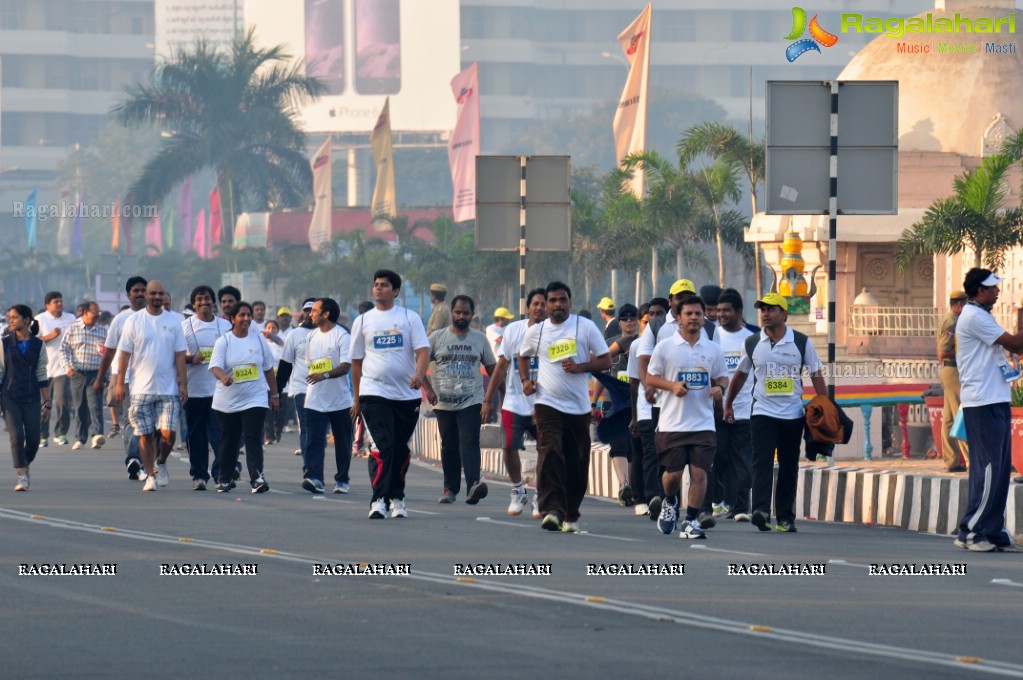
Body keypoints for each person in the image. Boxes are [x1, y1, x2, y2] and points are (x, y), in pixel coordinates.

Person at [723, 293, 827, 533]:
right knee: (761, 462)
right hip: (762, 412)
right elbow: (740, 375)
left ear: (784, 314)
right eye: (763, 309)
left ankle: (785, 517)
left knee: (789, 465)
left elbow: (816, 373)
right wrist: (728, 404)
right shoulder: (752, 343)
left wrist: (824, 406)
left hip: (792, 415)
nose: (766, 313)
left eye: (772, 309)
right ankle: (760, 511)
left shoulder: (801, 342)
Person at [518, 281, 611, 532]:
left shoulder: (585, 327)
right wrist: (526, 381)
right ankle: (552, 510)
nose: (558, 305)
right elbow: (523, 355)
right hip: (547, 402)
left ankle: (571, 513)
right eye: (553, 301)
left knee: (577, 461)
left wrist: (581, 367)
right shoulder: (537, 332)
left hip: (579, 407)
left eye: (562, 300)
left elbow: (606, 360)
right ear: (546, 304)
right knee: (550, 452)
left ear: (570, 302)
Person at [646, 295, 728, 540]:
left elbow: (723, 376)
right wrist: (671, 386)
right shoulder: (665, 347)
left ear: (704, 318)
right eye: (688, 314)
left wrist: (720, 389)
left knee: (700, 473)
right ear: (679, 318)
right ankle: (670, 501)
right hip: (672, 423)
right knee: (673, 475)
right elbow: (650, 378)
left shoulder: (712, 349)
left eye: (698, 314)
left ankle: (691, 520)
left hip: (703, 424)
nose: (694, 318)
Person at [350, 269, 430, 519]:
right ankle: (378, 500)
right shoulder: (363, 321)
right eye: (375, 285)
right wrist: (356, 398)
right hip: (374, 393)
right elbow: (356, 362)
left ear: (395, 291)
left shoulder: (409, 318)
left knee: (399, 448)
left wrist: (419, 374)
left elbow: (423, 350)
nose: (378, 289)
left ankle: (397, 497)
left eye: (384, 285)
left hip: (406, 397)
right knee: (383, 446)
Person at [953, 269, 1023, 552]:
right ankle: (971, 531)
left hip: (994, 399)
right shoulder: (974, 317)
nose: (997, 292)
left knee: (1000, 468)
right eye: (993, 288)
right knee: (990, 468)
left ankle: (992, 530)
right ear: (979, 290)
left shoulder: (981, 315)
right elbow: (1014, 343)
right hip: (982, 401)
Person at [115, 280, 188, 492]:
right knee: (145, 435)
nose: (157, 297)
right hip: (140, 389)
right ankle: (149, 476)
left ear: (165, 296)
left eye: (160, 294)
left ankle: (161, 462)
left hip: (168, 389)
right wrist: (119, 384)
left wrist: (183, 384)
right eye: (153, 293)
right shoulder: (134, 321)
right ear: (146, 296)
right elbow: (124, 355)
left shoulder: (174, 322)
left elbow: (180, 355)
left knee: (168, 434)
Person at [424, 294, 496, 504]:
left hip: (471, 400)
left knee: (469, 442)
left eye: (466, 313)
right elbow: (417, 366)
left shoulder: (480, 339)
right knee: (449, 444)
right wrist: (427, 389)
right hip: (443, 402)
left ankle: (473, 485)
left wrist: (502, 396)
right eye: (458, 312)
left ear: (472, 315)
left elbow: (493, 369)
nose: (461, 316)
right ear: (452, 313)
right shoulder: (437, 338)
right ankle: (449, 488)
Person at [482, 287, 547, 518]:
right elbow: (501, 366)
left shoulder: (556, 333)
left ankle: (540, 495)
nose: (540, 308)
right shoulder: (513, 330)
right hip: (514, 401)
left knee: (545, 450)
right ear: (528, 308)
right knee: (508, 445)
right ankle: (518, 490)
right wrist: (488, 399)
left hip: (545, 404)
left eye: (544, 304)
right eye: (535, 304)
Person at [209, 301, 279, 493]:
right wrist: (223, 376)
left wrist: (274, 395)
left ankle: (257, 478)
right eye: (241, 315)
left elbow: (268, 370)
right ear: (233, 319)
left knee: (253, 437)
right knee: (229, 439)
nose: (246, 318)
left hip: (255, 398)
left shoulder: (258, 340)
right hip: (228, 402)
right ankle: (224, 478)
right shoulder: (224, 341)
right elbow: (215, 366)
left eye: (248, 315)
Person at [94, 276, 148, 480]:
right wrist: (100, 379)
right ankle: (134, 458)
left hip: (152, 381)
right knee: (132, 420)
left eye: (144, 290)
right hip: (126, 380)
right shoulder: (120, 320)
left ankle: (146, 459)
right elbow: (109, 352)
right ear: (129, 295)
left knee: (151, 424)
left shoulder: (157, 317)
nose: (141, 294)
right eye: (137, 290)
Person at [708, 288, 755, 522]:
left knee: (743, 462)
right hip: (715, 411)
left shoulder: (752, 339)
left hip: (745, 411)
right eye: (719, 311)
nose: (721, 315)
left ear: (738, 311)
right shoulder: (712, 338)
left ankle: (740, 508)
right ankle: (717, 500)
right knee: (720, 457)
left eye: (726, 310)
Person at [301, 297, 354, 495]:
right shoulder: (312, 336)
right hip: (315, 399)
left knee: (342, 441)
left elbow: (346, 365)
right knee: (314, 440)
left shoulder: (342, 335)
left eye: (314, 310)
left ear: (326, 314)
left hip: (339, 400)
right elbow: (311, 363)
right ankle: (315, 478)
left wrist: (324, 375)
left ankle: (342, 480)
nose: (310, 314)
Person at [181, 285, 232, 491]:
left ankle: (221, 473)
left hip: (220, 390)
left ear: (214, 302)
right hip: (194, 391)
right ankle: (199, 475)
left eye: (208, 298)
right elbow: (175, 356)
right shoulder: (184, 327)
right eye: (200, 299)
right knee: (197, 436)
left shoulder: (225, 326)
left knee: (220, 435)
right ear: (194, 304)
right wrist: (190, 358)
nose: (204, 302)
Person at [2, 305, 51, 491]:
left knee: (33, 440)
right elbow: (0, 372)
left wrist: (47, 402)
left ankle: (25, 462)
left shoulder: (38, 345)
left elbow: (41, 373)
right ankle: (22, 476)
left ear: (27, 320)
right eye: (9, 317)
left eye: (14, 317)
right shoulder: (4, 343)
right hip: (10, 396)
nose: (11, 320)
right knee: (16, 436)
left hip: (31, 397)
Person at [628, 299, 669, 519]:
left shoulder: (673, 342)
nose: (654, 318)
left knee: (666, 455)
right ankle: (648, 497)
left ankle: (664, 497)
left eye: (659, 313)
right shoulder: (637, 345)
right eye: (650, 314)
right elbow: (634, 382)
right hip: (645, 410)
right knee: (649, 454)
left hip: (669, 409)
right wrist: (634, 416)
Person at [58, 300, 106, 450]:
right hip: (77, 374)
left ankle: (97, 435)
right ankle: (80, 438)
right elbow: (63, 350)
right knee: (79, 407)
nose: (98, 316)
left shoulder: (103, 331)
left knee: (95, 406)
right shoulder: (72, 329)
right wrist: (68, 368)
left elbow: (108, 355)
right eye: (95, 313)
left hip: (96, 374)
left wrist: (107, 376)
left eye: (99, 313)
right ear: (85, 313)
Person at [278, 298, 316, 460]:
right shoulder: (295, 335)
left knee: (318, 430)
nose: (309, 314)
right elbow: (285, 365)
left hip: (325, 390)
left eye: (313, 310)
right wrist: (277, 391)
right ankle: (310, 467)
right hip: (302, 388)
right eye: (306, 310)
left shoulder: (329, 333)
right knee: (306, 426)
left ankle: (315, 463)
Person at [37, 290, 76, 447]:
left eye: (61, 301)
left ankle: (61, 433)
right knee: (43, 403)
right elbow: (32, 340)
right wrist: (49, 336)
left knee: (62, 402)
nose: (60, 304)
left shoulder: (71, 319)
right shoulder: (39, 320)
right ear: (47, 305)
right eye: (56, 302)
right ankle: (43, 435)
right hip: (43, 369)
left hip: (63, 368)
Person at [937, 290, 969, 473]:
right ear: (959, 304)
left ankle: (951, 461)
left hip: (949, 370)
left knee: (949, 418)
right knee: (962, 414)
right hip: (953, 369)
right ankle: (971, 459)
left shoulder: (950, 320)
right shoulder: (952, 322)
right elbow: (943, 351)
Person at [261, 319, 286, 446]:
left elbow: (281, 342)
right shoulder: (262, 344)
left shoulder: (282, 343)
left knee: (281, 412)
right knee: (268, 411)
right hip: (265, 383)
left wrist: (272, 336)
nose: (271, 330)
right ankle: (268, 435)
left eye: (274, 328)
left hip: (281, 383)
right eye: (268, 328)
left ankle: (278, 431)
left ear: (278, 330)